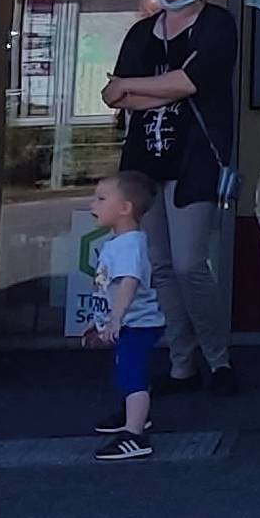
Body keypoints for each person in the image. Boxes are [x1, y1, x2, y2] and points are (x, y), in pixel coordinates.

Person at [103, 0, 238, 396]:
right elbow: (111, 96)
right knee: (159, 265)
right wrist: (138, 90)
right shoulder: (141, 33)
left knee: (187, 263)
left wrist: (134, 88)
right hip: (144, 165)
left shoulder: (216, 25)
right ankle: (182, 364)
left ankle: (218, 360)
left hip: (195, 161)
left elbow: (188, 82)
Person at [83, 171, 164, 462]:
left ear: (125, 208)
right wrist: (101, 321)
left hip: (137, 324)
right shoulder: (119, 243)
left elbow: (129, 281)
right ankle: (132, 417)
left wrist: (117, 318)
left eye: (101, 199)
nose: (94, 204)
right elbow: (110, 288)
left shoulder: (130, 245)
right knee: (126, 373)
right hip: (129, 322)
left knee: (133, 378)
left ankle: (135, 434)